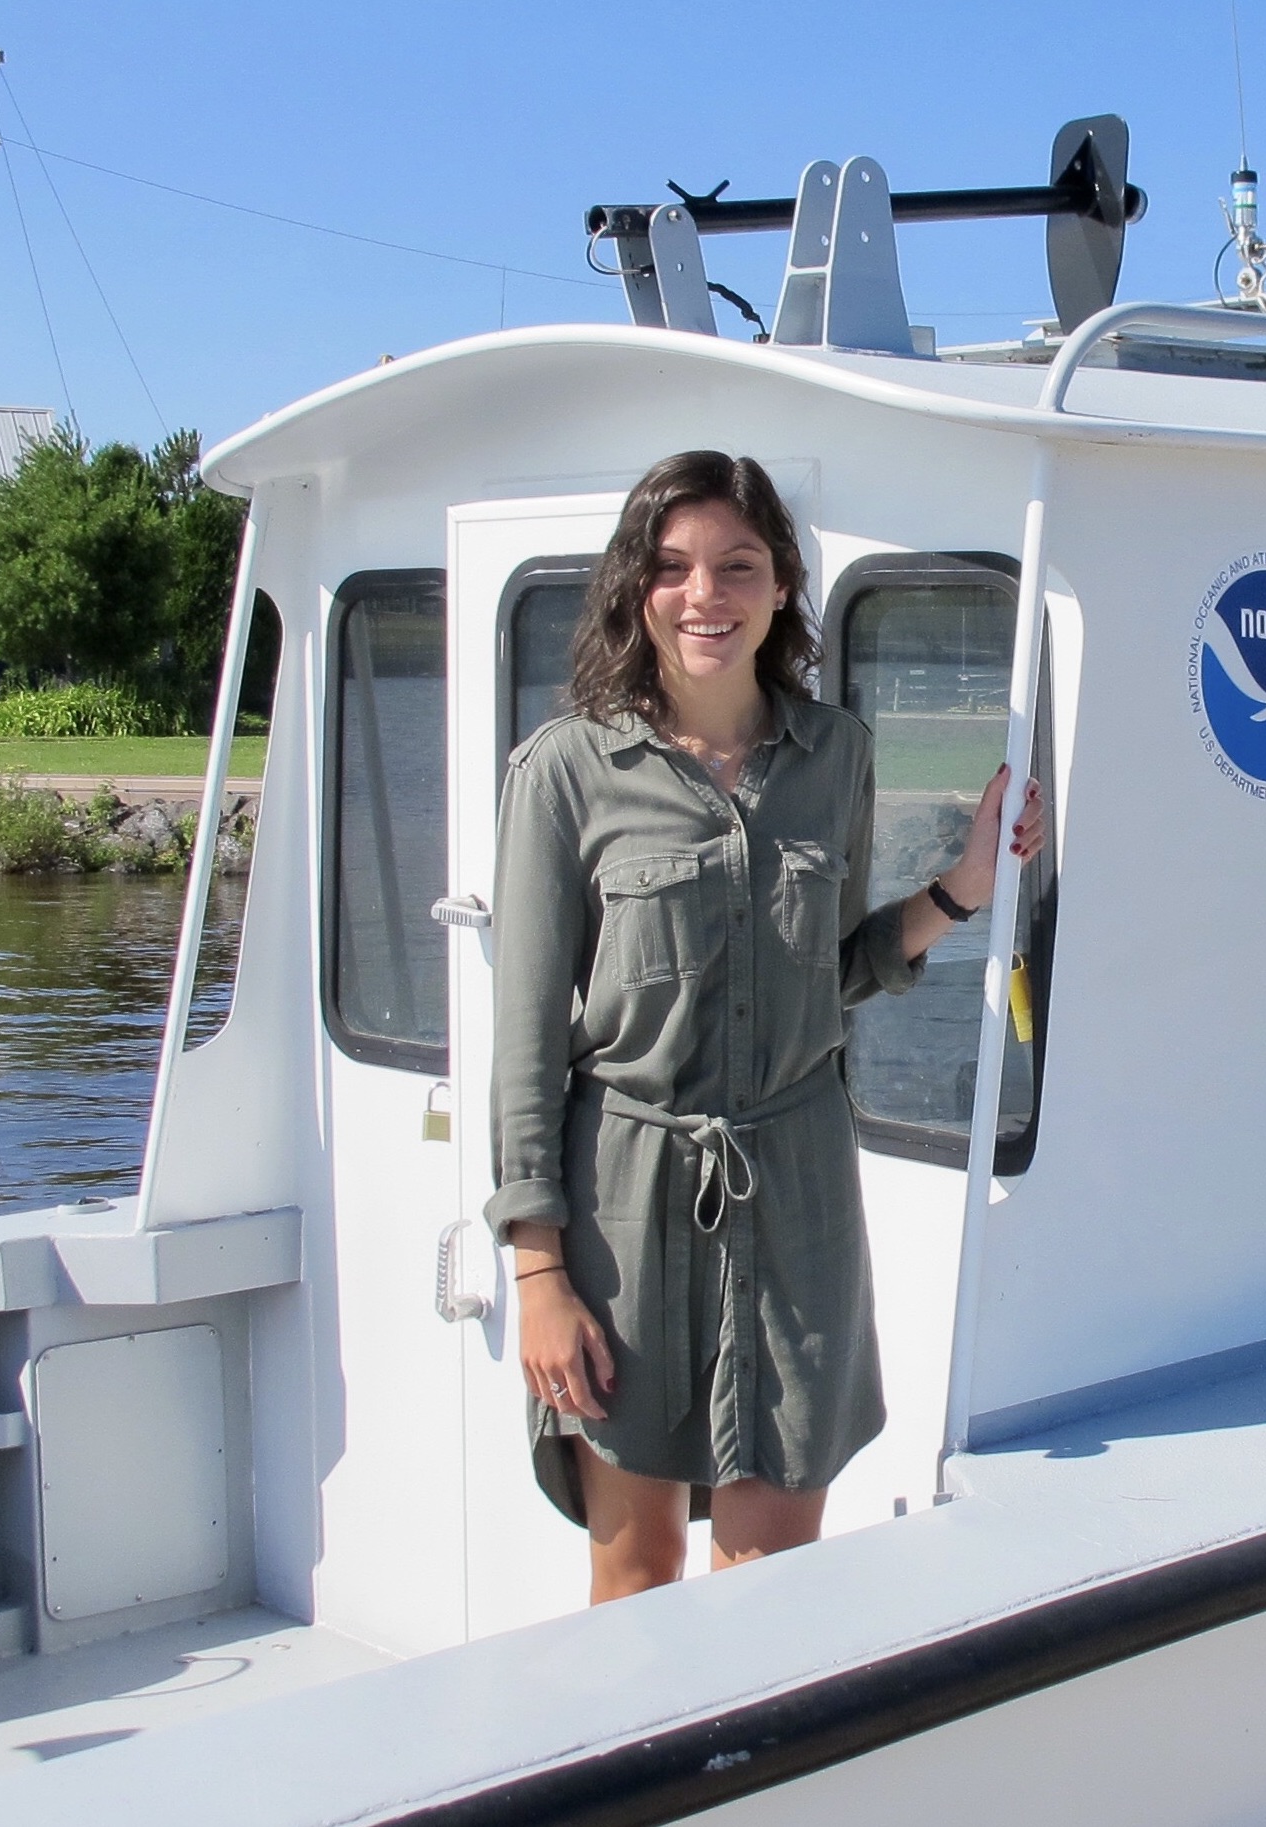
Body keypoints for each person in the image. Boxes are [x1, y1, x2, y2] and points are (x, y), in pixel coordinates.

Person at [486, 450, 1046, 1604]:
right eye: (675, 565)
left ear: (782, 583)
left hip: (797, 1198)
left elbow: (827, 974)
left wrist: (960, 890)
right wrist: (538, 1275)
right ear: (635, 588)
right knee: (636, 1572)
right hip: (622, 1207)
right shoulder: (563, 773)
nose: (707, 595)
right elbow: (526, 1043)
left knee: (772, 1579)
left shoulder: (834, 753)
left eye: (737, 566)